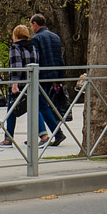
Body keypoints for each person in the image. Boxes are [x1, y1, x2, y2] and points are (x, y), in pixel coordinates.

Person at [1, 23, 57, 147]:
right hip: (31, 83)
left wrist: (14, 84)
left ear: (15, 35)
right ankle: (43, 135)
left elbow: (17, 67)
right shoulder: (33, 46)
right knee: (34, 109)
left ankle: (8, 138)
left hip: (20, 84)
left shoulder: (15, 48)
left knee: (11, 110)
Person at [29, 13, 68, 146]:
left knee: (40, 105)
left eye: (31, 25)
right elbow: (60, 58)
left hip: (41, 76)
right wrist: (60, 78)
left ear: (35, 24)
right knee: (43, 105)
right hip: (54, 75)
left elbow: (35, 60)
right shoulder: (55, 37)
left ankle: (56, 133)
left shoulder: (36, 38)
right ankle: (47, 133)